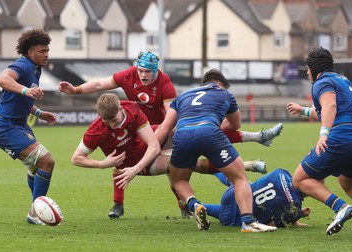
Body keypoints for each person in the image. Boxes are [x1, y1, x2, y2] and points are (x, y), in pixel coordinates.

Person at [59, 51, 283, 218]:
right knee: (128, 158)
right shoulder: (126, 79)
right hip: (140, 128)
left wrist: (176, 135)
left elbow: (170, 119)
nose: (144, 75)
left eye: (148, 72)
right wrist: (76, 90)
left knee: (186, 152)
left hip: (160, 127)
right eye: (141, 71)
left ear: (156, 71)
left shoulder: (164, 84)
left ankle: (254, 141)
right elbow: (100, 83)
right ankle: (121, 205)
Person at [70, 93, 268, 219]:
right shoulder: (96, 130)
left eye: (115, 120)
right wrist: (102, 163)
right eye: (108, 122)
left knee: (186, 133)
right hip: (135, 161)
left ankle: (253, 142)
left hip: (147, 148)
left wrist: (133, 171)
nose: (113, 125)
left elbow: (153, 145)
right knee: (178, 164)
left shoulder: (131, 108)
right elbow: (76, 158)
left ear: (121, 109)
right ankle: (240, 169)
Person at [155, 68, 277, 232]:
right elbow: (235, 125)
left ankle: (194, 204)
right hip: (210, 133)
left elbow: (165, 129)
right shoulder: (225, 94)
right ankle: (248, 221)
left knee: (179, 181)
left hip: (183, 135)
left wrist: (148, 151)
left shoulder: (182, 96)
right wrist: (209, 127)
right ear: (220, 84)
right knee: (240, 177)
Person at [0, 28, 57, 225]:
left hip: (18, 125)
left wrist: (39, 113)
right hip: (5, 128)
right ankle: (36, 212)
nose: (46, 54)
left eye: (47, 50)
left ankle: (34, 211)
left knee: (36, 168)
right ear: (30, 52)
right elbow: (2, 79)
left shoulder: (35, 68)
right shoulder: (23, 65)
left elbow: (20, 99)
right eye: (42, 51)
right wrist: (26, 90)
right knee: (47, 161)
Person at [286, 47, 352, 235]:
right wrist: (303, 110)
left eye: (308, 68)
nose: (307, 72)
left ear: (314, 68)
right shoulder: (343, 80)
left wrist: (324, 134)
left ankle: (340, 207)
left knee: (300, 179)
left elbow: (330, 106)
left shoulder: (321, 81)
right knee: (347, 182)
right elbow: (330, 110)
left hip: (341, 138)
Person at [203, 168, 311, 228]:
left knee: (242, 180)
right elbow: (270, 224)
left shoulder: (282, 172)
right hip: (232, 218)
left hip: (233, 194)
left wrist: (295, 216)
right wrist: (298, 215)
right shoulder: (295, 208)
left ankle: (214, 169)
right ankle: (191, 206)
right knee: (224, 212)